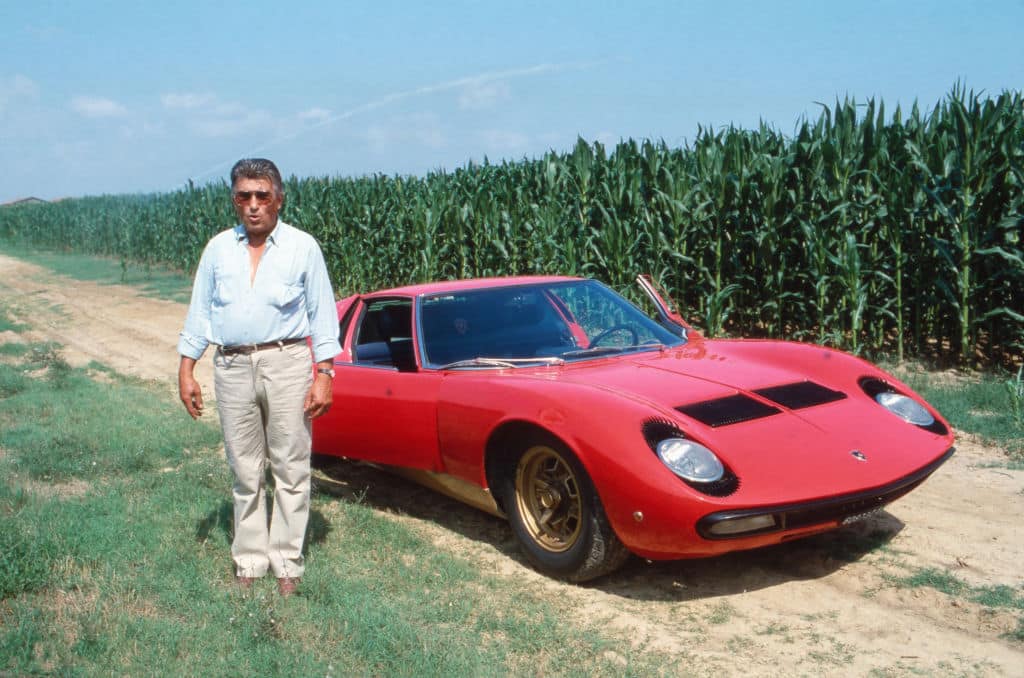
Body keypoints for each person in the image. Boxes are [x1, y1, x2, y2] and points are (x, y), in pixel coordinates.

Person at [177, 158, 340, 597]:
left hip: (286, 363)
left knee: (289, 464)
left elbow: (323, 316)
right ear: (234, 201)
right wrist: (187, 368)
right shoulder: (217, 250)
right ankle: (250, 559)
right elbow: (200, 313)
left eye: (261, 196)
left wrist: (324, 373)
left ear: (278, 199)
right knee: (245, 468)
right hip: (230, 366)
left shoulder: (303, 248)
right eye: (243, 196)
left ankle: (286, 561)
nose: (253, 206)